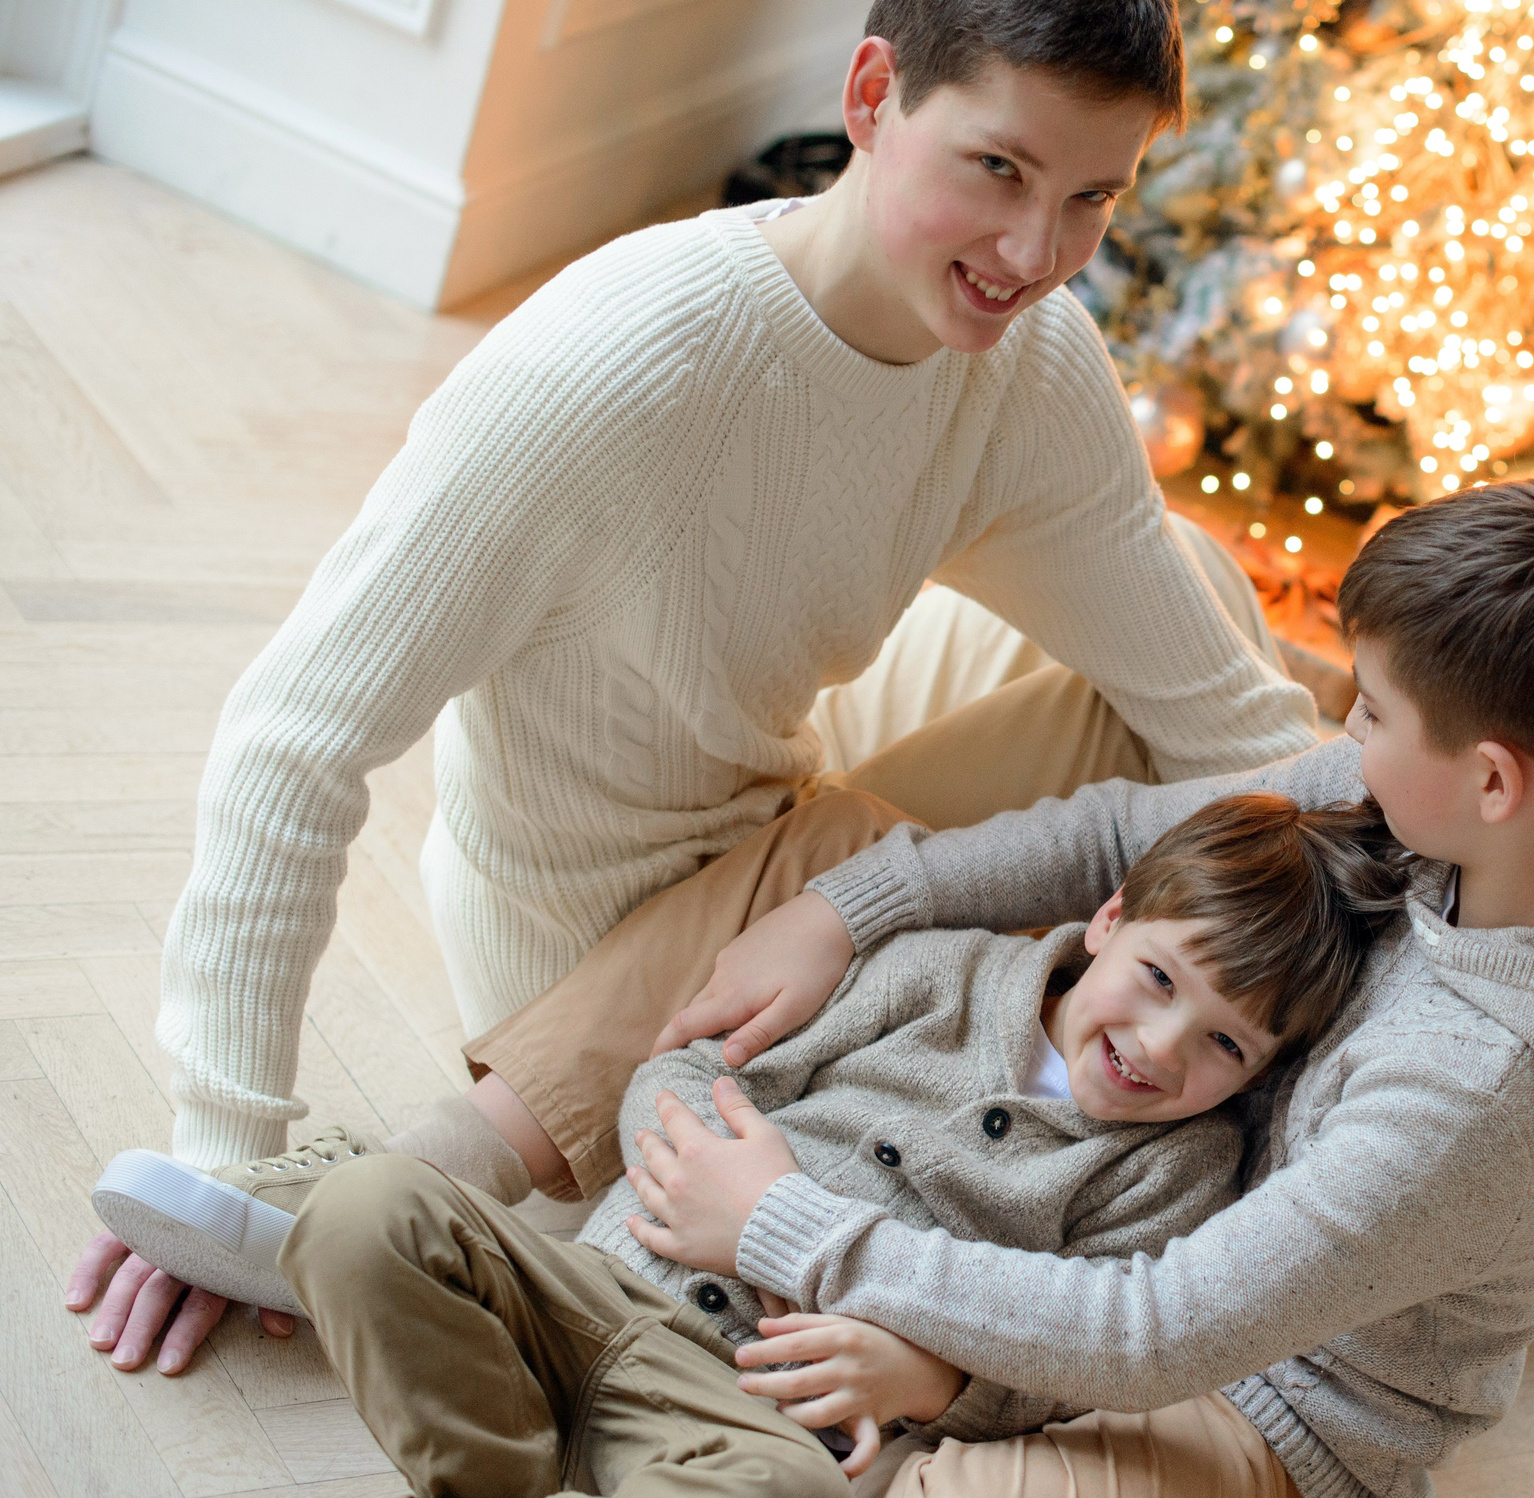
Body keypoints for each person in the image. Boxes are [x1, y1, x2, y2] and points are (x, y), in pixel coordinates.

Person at [318, 476, 1534, 1498]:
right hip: (1205, 1171)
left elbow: (1162, 1327)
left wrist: (800, 1240)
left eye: (1373, 712)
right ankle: (479, 1223)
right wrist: (844, 909)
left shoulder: (1478, 1095)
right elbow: (1112, 831)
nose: (1344, 735)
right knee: (830, 860)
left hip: (1259, 1379)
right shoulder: (1460, 811)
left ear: (1495, 780)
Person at [70, 0, 1323, 1373]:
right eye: (997, 169)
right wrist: (224, 1155)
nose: (1036, 254)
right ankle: (424, 1167)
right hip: (600, 926)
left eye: (1090, 198)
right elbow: (291, 743)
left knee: (1196, 589)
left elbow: (1241, 730)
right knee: (990, 786)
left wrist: (1494, 937)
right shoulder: (609, 370)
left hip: (776, 771)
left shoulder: (1028, 363)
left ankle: (1303, 1051)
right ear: (871, 96)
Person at [128, 793, 1406, 1498]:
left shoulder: (1180, 1169)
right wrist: (690, 1157)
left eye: (1227, 1045)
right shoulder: (939, 970)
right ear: (1110, 917)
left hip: (745, 1417)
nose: (1163, 1048)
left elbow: (1075, 1354)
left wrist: (943, 1380)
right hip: (593, 1288)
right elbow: (696, 1062)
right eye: (1162, 979)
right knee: (368, 1207)